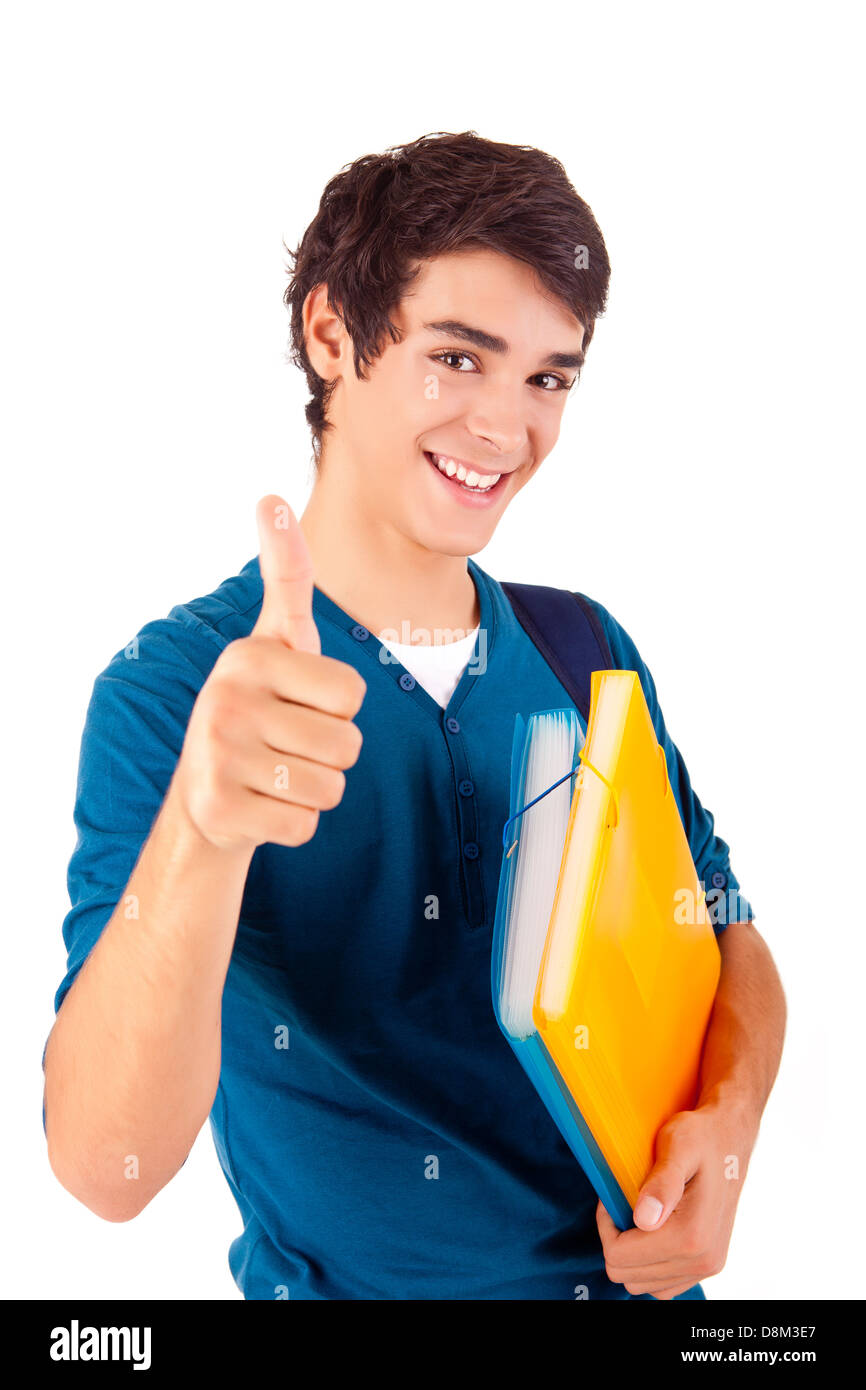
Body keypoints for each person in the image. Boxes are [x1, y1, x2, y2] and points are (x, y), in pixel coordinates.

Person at [42, 130, 786, 1300]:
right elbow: (107, 1168)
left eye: (548, 376)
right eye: (457, 356)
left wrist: (726, 1132)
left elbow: (729, 931)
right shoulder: (179, 693)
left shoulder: (583, 650)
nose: (506, 427)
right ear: (332, 333)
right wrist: (204, 828)